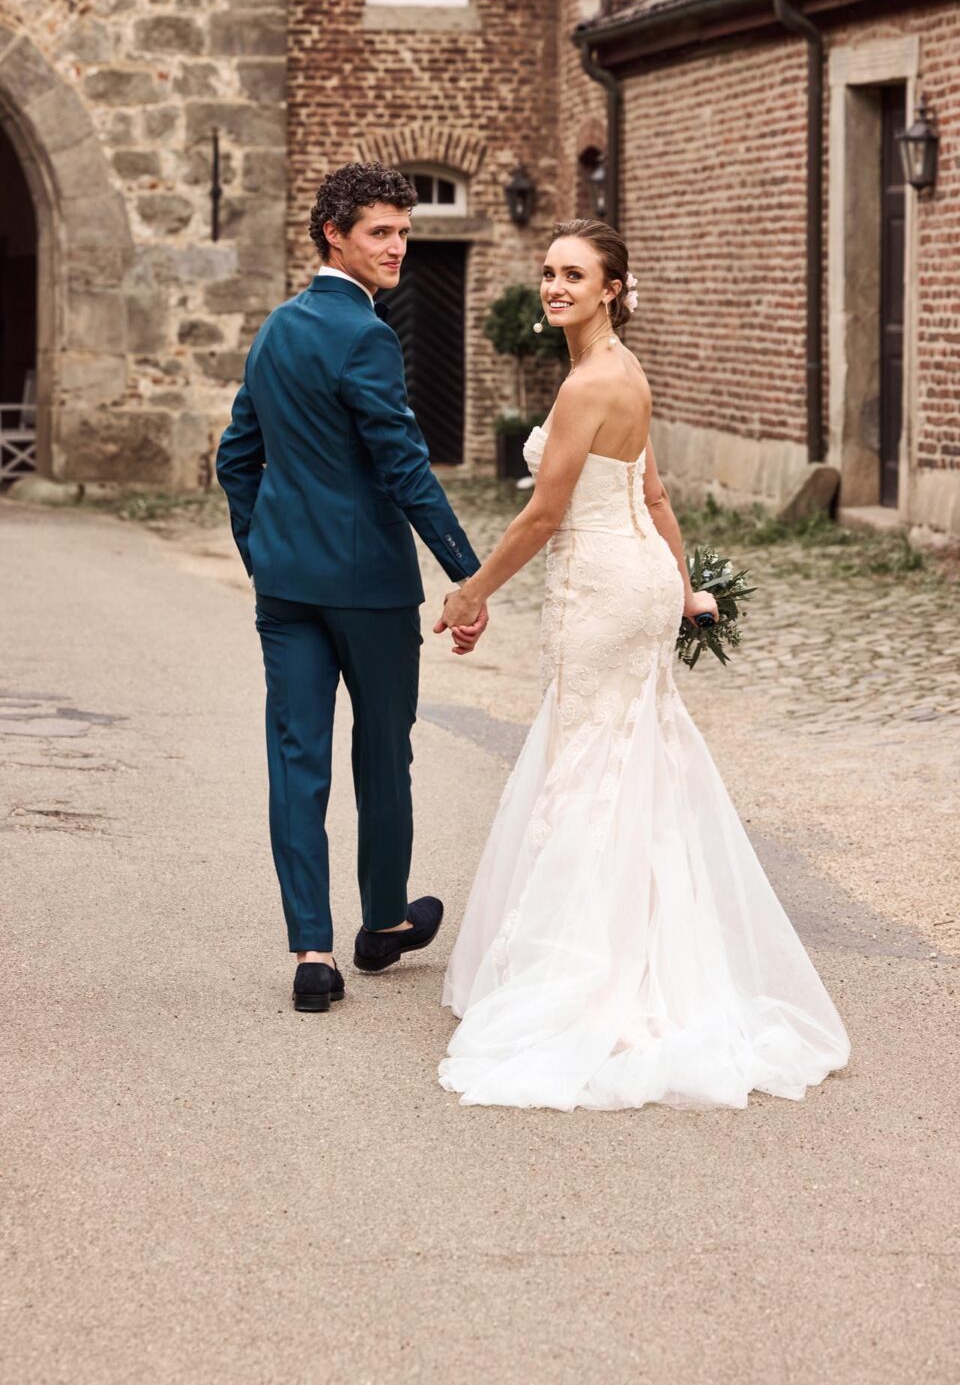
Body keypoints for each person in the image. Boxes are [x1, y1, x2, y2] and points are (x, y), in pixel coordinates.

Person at [435, 219, 851, 1111]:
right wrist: (685, 583)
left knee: (588, 767)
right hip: (639, 585)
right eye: (548, 273)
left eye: (574, 276)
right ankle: (647, 950)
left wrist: (472, 593)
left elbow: (545, 517)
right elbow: (651, 492)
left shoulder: (590, 384)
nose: (555, 287)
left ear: (612, 289)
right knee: (631, 763)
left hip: (601, 594)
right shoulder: (625, 373)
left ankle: (588, 969)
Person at [216, 162, 487, 1013]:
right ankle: (379, 927)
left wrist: (266, 553)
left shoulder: (275, 330)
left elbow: (236, 459)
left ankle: (310, 953)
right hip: (368, 586)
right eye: (382, 231)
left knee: (297, 762)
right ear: (335, 233)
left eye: (404, 231)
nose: (399, 245)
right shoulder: (365, 335)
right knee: (383, 754)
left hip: (286, 587)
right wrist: (466, 572)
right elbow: (403, 463)